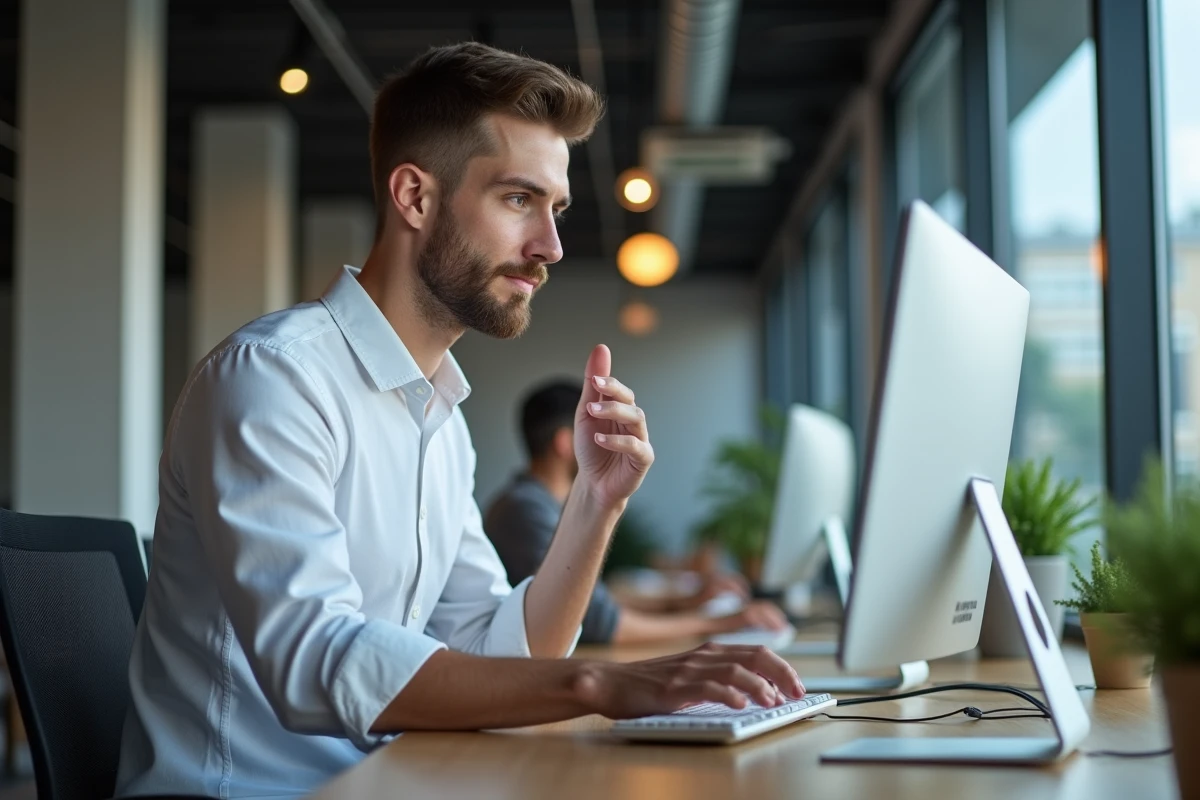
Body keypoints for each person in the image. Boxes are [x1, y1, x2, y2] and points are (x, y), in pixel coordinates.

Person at [115, 42, 805, 799]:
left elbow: (495, 646)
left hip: (386, 781)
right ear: (414, 197)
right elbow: (316, 664)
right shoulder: (274, 379)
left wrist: (594, 503)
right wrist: (601, 685)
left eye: (556, 208)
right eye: (519, 200)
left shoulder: (439, 417)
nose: (550, 247)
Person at [486, 380, 789, 644]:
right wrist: (722, 623)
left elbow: (595, 601)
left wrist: (688, 601)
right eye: (596, 433)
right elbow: (597, 624)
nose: (608, 445)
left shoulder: (538, 505)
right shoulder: (524, 511)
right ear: (566, 443)